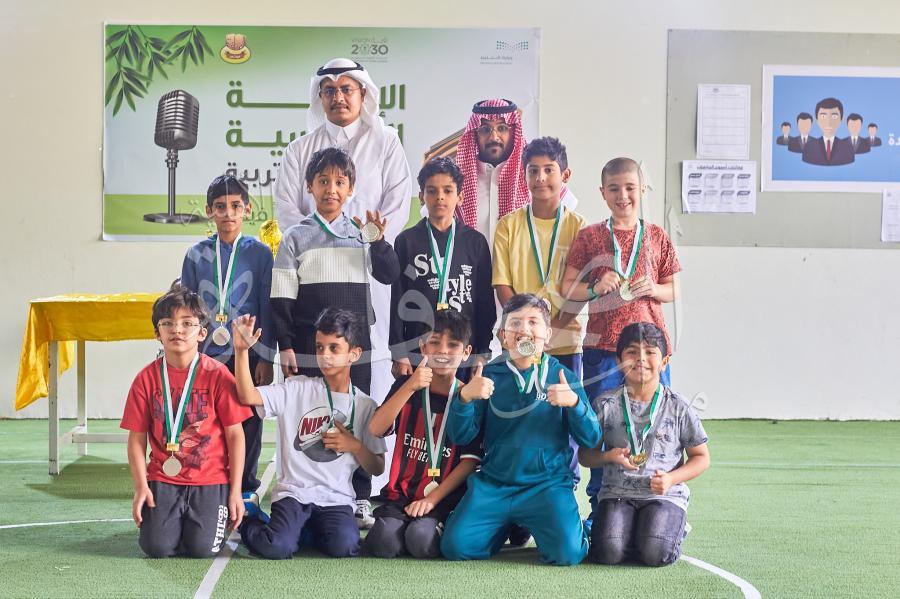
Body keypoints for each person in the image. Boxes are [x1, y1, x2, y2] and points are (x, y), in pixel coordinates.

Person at [273, 56, 413, 459]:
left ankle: (364, 474)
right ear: (320, 97)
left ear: (363, 93)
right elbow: (287, 209)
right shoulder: (300, 148)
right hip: (314, 278)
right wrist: (326, 236)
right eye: (330, 90)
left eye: (347, 89)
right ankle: (306, 471)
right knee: (311, 383)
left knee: (365, 376)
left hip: (367, 275)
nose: (339, 97)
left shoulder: (386, 142)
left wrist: (368, 240)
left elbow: (398, 203)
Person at [271, 147, 400, 527]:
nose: (331, 189)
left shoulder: (361, 235)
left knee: (355, 418)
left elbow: (389, 274)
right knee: (306, 417)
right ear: (309, 186)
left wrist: (379, 241)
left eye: (340, 182)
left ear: (351, 189)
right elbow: (281, 297)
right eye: (323, 181)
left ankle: (357, 496)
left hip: (355, 351)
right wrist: (286, 345)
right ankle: (301, 491)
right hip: (309, 349)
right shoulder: (295, 237)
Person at [440, 294, 600, 566]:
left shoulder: (564, 378)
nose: (524, 329)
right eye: (515, 323)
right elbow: (460, 436)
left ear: (547, 334)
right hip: (495, 484)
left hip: (546, 486)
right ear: (503, 335)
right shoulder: (488, 375)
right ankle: (504, 526)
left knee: (569, 554)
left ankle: (574, 528)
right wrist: (464, 398)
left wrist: (574, 404)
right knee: (455, 547)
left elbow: (592, 438)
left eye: (533, 322)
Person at [560, 157, 681, 513]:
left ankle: (656, 501)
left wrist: (654, 289)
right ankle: (601, 506)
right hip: (603, 351)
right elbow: (567, 288)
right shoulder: (589, 237)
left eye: (630, 188)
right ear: (603, 193)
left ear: (642, 189)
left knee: (654, 425)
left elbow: (673, 288)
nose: (623, 196)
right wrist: (594, 288)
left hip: (651, 352)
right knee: (601, 430)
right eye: (614, 189)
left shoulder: (657, 235)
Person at [232, 309, 386, 559]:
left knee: (345, 547)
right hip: (294, 494)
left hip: (337, 499)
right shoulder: (297, 389)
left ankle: (304, 531)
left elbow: (378, 467)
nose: (325, 356)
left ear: (354, 354)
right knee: (277, 547)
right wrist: (241, 351)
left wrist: (355, 446)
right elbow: (247, 395)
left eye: (334, 348)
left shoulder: (366, 405)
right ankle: (250, 521)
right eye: (319, 347)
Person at [120, 283, 250, 558]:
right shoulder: (145, 379)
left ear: (202, 332)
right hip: (163, 478)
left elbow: (235, 435)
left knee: (204, 549)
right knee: (156, 547)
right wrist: (141, 487)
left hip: (210, 479)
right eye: (167, 323)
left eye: (187, 323)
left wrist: (236, 490)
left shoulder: (218, 375)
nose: (176, 330)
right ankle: (173, 524)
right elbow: (136, 439)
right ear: (157, 333)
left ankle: (198, 520)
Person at [579, 322, 710, 567]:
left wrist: (671, 479)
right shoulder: (605, 404)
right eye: (632, 352)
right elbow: (585, 456)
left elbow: (701, 457)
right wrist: (608, 457)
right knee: (608, 553)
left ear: (664, 362)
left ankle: (670, 529)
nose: (640, 358)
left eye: (650, 352)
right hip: (617, 494)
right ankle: (636, 532)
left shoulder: (679, 406)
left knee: (655, 553)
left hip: (664, 495)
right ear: (619, 361)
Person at [180, 174, 274, 501]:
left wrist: (266, 356)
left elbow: (267, 306)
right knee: (205, 417)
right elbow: (187, 309)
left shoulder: (260, 254)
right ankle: (209, 480)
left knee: (249, 417)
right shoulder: (196, 255)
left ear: (247, 209)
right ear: (209, 211)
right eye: (220, 207)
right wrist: (188, 356)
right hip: (206, 355)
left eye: (235, 206)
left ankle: (245, 486)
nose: (228, 213)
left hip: (248, 354)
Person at [366, 309, 482, 558]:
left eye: (453, 345)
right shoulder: (406, 386)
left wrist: (432, 500)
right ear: (423, 347)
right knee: (384, 543)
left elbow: (469, 462)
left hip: (444, 498)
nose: (442, 351)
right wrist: (410, 386)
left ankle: (430, 527)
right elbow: (376, 429)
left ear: (466, 352)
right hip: (401, 495)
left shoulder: (467, 397)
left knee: (420, 540)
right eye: (435, 342)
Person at [390, 157, 494, 378]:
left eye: (448, 190)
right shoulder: (406, 241)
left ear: (460, 197)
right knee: (419, 400)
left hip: (462, 350)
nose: (440, 197)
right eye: (432, 191)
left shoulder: (475, 242)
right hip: (418, 348)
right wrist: (399, 352)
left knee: (461, 399)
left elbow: (485, 302)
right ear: (421, 196)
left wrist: (482, 352)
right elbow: (398, 297)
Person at [454, 99, 577, 243]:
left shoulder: (536, 177)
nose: (494, 137)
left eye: (502, 128)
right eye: (485, 130)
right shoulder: (458, 181)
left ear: (514, 132)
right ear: (475, 134)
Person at [802, 98, 855, 166]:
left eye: (834, 116)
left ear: (841, 119)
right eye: (823, 116)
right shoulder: (808, 147)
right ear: (817, 120)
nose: (828, 122)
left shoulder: (848, 148)